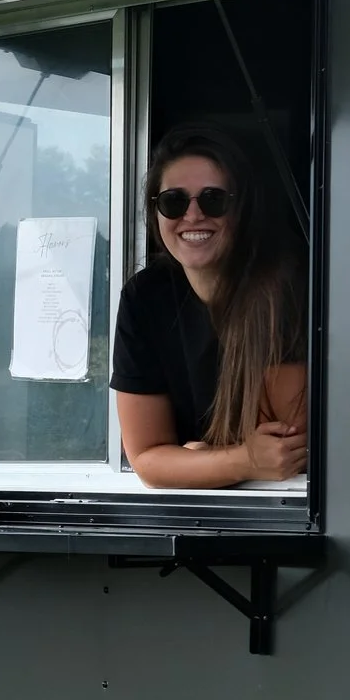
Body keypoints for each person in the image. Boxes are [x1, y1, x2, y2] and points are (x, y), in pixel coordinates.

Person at [112, 128, 308, 487]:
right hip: (202, 515)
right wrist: (241, 459)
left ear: (241, 210)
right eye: (173, 201)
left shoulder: (286, 287)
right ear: (156, 212)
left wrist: (199, 461)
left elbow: (287, 451)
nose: (193, 215)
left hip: (285, 512)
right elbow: (148, 461)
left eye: (213, 199)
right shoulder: (144, 298)